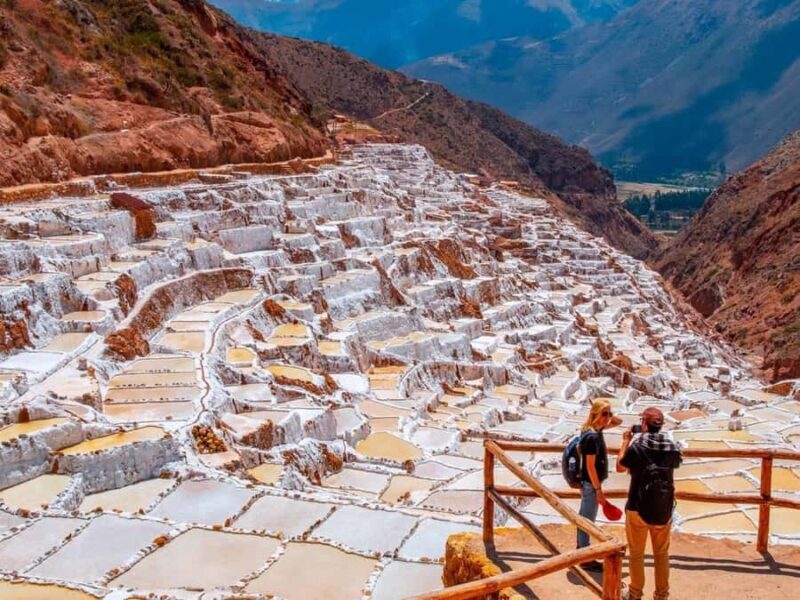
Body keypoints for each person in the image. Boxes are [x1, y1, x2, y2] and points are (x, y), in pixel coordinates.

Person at [617, 407, 682, 600]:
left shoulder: (638, 446)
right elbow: (675, 464)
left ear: (644, 423)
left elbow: (620, 466)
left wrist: (626, 440)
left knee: (636, 553)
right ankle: (661, 595)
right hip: (663, 508)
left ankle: (635, 594)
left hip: (637, 507)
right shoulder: (672, 447)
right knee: (661, 554)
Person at [577, 398, 620, 571]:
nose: (608, 417)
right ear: (595, 413)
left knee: (585, 518)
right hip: (591, 484)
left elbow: (619, 422)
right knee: (587, 520)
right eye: (604, 413)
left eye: (609, 413)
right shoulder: (593, 437)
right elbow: (590, 466)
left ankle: (582, 552)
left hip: (590, 484)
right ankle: (585, 558)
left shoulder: (593, 430)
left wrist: (606, 414)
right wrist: (598, 490)